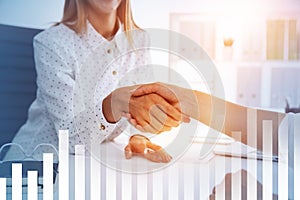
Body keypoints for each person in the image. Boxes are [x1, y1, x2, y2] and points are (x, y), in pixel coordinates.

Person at [8, 0, 187, 159]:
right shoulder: (52, 42)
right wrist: (113, 104)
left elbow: (141, 108)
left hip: (93, 161)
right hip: (35, 163)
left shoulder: (138, 41)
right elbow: (70, 139)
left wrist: (138, 136)